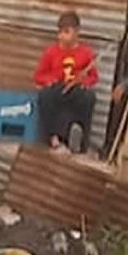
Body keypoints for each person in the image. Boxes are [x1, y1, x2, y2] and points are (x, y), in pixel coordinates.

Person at [34, 10, 99, 153]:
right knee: (45, 96)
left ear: (77, 32)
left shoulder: (86, 53)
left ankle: (79, 140)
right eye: (60, 32)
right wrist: (50, 80)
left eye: (66, 32)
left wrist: (84, 82)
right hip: (57, 88)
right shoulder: (51, 52)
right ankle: (53, 138)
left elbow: (94, 77)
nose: (61, 36)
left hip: (75, 89)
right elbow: (39, 76)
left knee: (89, 98)